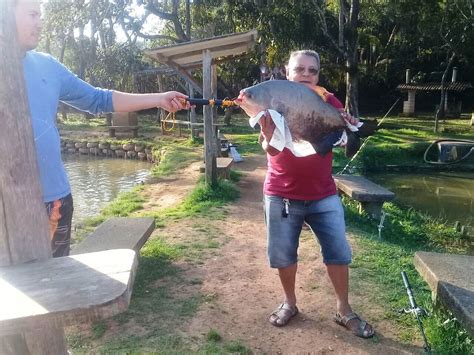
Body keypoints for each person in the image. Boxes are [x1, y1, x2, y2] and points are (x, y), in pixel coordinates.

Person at [15, 0, 189, 257]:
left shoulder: (47, 66)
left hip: (55, 202)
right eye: (32, 15)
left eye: (40, 15)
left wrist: (159, 98)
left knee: (54, 287)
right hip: (9, 207)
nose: (40, 23)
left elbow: (99, 99)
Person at [247, 50, 375, 338]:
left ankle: (344, 310)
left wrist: (350, 127)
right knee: (283, 255)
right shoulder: (273, 98)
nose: (306, 74)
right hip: (281, 193)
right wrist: (268, 137)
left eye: (312, 70)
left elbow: (335, 138)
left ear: (318, 74)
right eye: (300, 69)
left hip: (323, 193)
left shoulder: (329, 101)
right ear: (288, 72)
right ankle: (289, 303)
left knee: (338, 253)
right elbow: (269, 149)